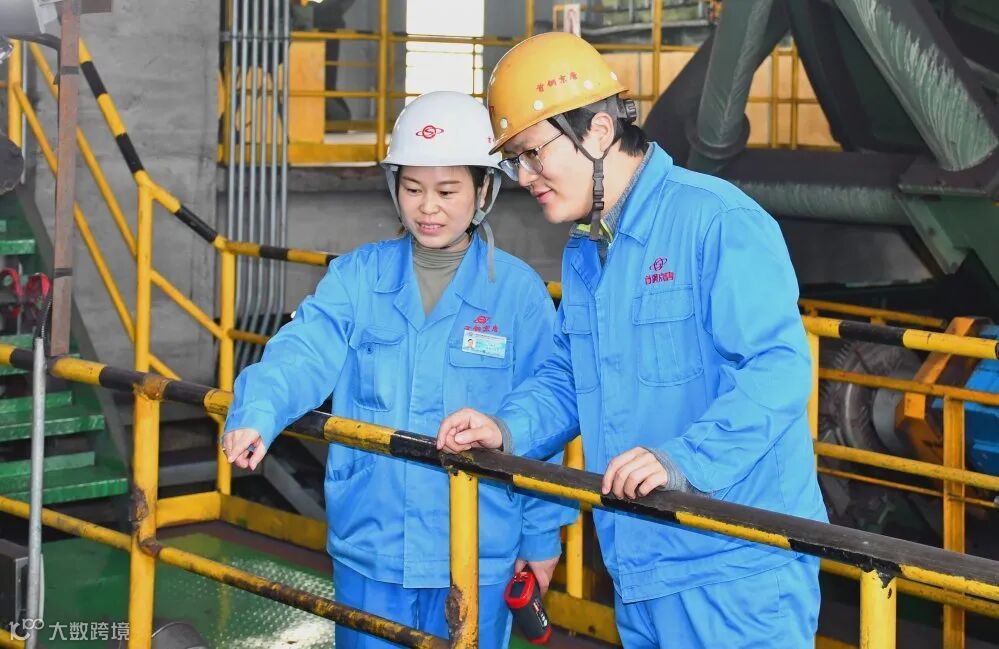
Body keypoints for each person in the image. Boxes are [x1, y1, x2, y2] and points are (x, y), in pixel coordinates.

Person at [437, 32, 828, 648]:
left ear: (597, 132)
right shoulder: (588, 250)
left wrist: (684, 461)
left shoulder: (715, 221)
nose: (526, 177)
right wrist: (506, 429)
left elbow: (776, 371)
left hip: (735, 564)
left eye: (533, 154)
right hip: (639, 560)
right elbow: (572, 376)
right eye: (514, 162)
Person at [221, 90, 575, 649]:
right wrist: (258, 411)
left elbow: (544, 418)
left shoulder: (518, 295)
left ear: (483, 190)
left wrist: (541, 537)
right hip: (372, 547)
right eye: (413, 189)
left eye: (447, 191)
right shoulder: (356, 278)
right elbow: (303, 350)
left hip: (476, 550)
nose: (427, 208)